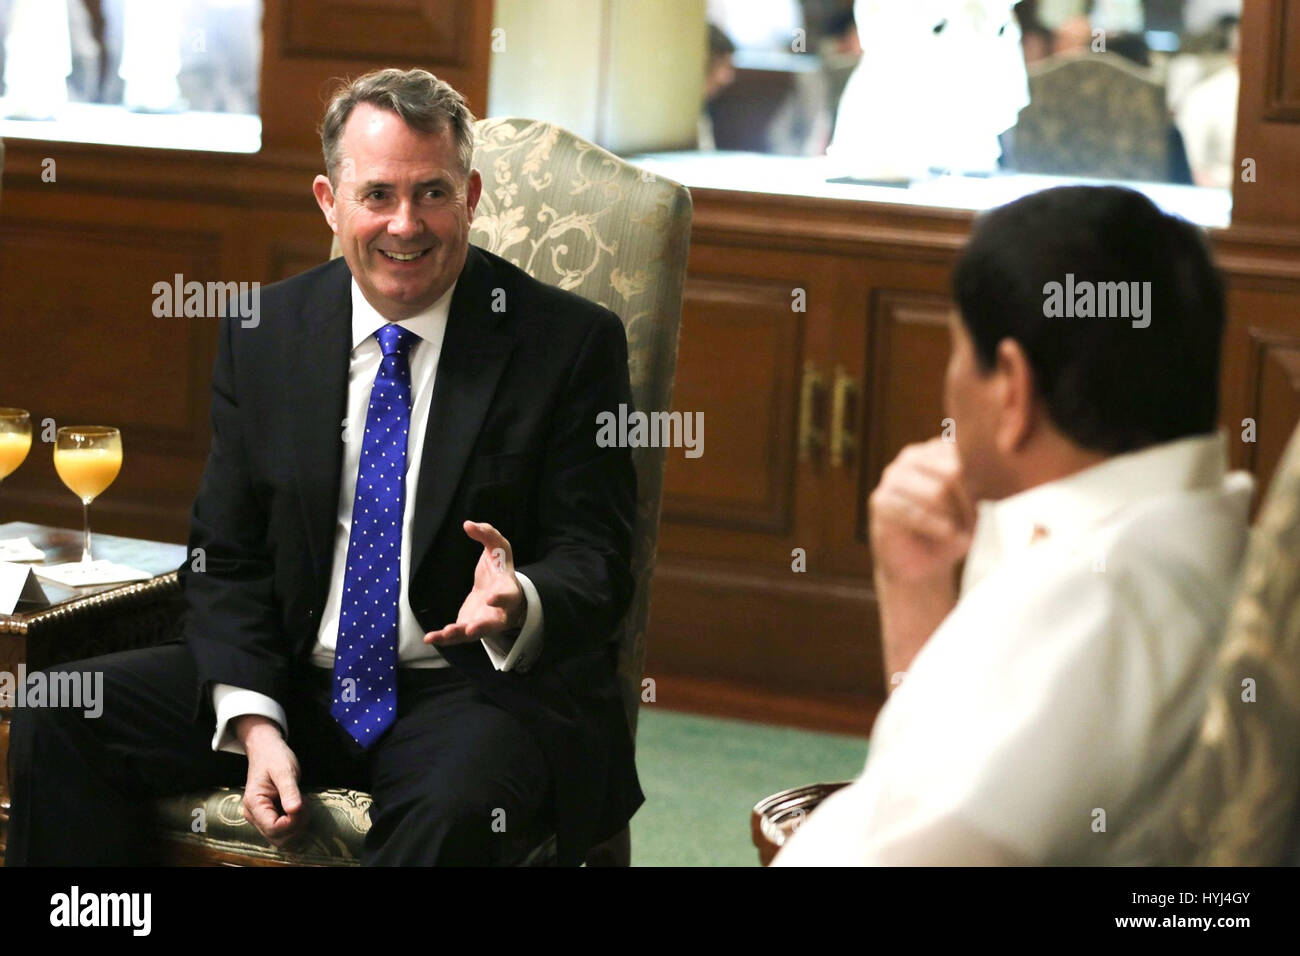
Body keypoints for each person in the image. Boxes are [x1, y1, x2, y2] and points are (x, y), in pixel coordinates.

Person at [5, 68, 642, 866]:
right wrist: (253, 719)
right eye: (377, 194)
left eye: (433, 194)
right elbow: (227, 558)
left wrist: (523, 597)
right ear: (328, 201)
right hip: (296, 677)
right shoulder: (266, 332)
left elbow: (600, 560)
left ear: (472, 195)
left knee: (453, 811)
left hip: (470, 690)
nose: (405, 225)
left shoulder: (567, 344)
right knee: (59, 710)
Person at [774, 185, 1253, 865]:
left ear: (1012, 389)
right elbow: (938, 769)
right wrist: (915, 587)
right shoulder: (1203, 536)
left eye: (956, 352)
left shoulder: (1090, 598)